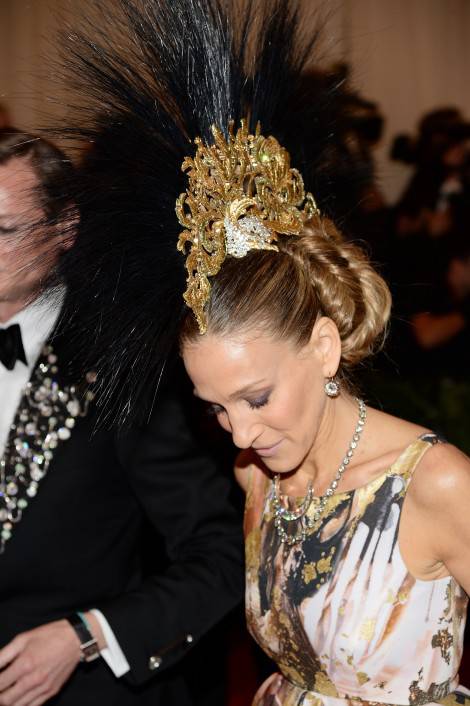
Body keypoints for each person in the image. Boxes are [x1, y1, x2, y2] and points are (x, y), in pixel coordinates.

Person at [43, 1, 470, 706]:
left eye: (256, 397)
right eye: (215, 408)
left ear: (324, 347)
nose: (239, 435)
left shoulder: (436, 484)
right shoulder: (258, 478)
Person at [0, 128, 243, 705]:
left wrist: (88, 636)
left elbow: (222, 553)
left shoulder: (119, 365)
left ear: (65, 229)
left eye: (4, 230)